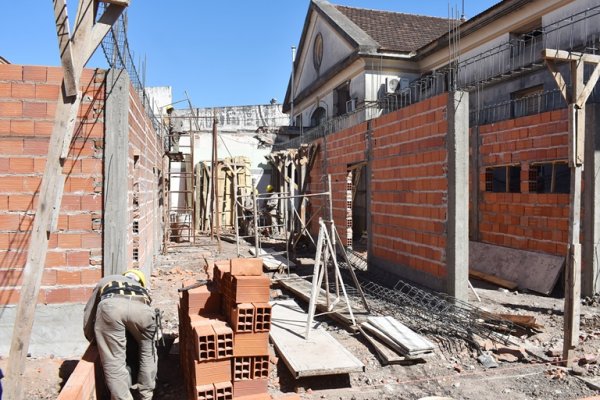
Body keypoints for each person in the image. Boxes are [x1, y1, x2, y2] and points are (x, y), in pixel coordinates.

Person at [83, 269, 158, 400]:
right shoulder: (141, 288)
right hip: (143, 310)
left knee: (114, 360)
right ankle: (146, 395)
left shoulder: (107, 280)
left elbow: (89, 312)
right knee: (148, 352)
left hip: (112, 307)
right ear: (140, 281)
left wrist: (92, 339)